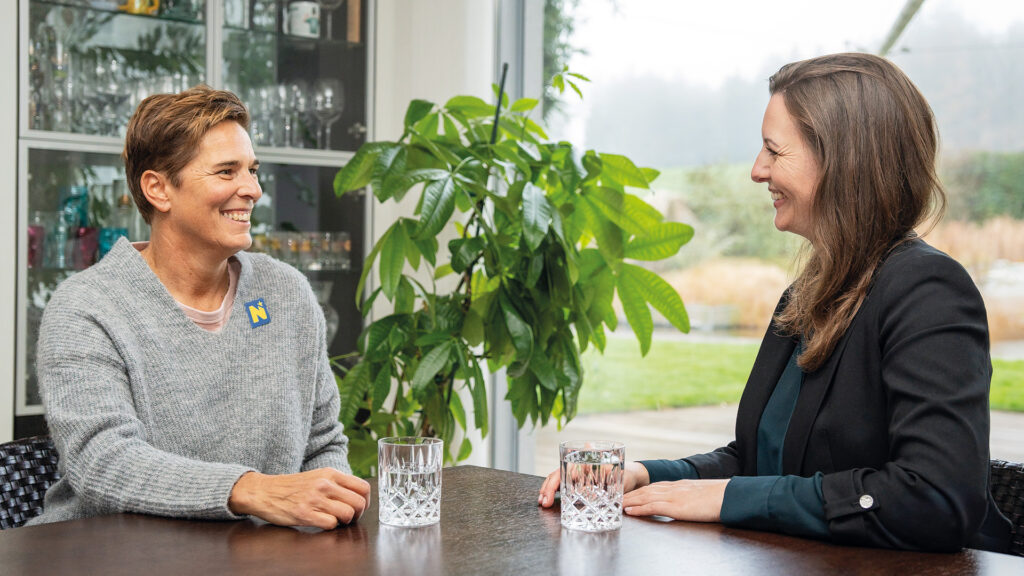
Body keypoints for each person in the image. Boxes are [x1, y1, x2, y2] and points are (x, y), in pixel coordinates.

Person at [538, 53, 1013, 553]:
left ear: (843, 158)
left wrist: (734, 499)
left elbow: (935, 499)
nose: (756, 170)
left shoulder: (929, 291)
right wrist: (645, 476)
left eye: (773, 150)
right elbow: (757, 463)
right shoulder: (810, 291)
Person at [29, 86, 370, 530]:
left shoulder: (286, 292)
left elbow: (322, 444)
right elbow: (103, 462)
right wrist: (252, 491)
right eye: (226, 171)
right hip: (110, 557)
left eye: (252, 170)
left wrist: (333, 506)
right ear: (158, 189)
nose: (252, 189)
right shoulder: (86, 309)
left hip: (259, 557)